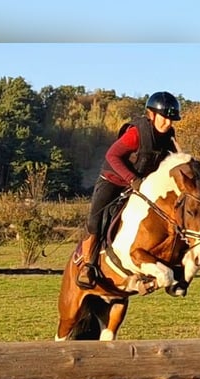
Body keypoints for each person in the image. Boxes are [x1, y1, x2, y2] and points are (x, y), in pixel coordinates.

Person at [75, 91, 183, 289]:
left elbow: (176, 163)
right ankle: (88, 266)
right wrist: (132, 179)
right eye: (164, 117)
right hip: (113, 181)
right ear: (151, 114)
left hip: (141, 186)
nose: (168, 122)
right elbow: (112, 156)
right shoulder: (136, 133)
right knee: (95, 220)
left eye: (171, 119)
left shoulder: (169, 138)